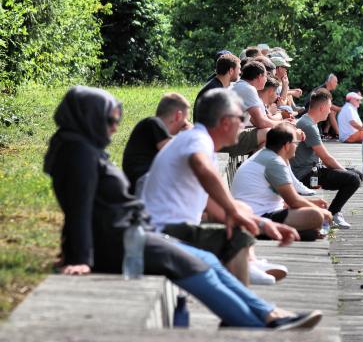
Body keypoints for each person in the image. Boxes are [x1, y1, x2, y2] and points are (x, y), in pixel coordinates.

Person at [44, 85, 322, 330]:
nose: (115, 127)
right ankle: (257, 321)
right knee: (194, 263)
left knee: (209, 261)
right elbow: (77, 207)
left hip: (130, 233)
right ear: (88, 118)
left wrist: (261, 223)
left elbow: (79, 205)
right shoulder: (78, 153)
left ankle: (266, 313)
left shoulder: (80, 149)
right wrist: (78, 257)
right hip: (121, 240)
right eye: (109, 120)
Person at [143, 89, 299, 285]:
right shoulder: (197, 140)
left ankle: (248, 268)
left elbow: (214, 207)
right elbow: (201, 167)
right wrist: (235, 211)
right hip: (163, 232)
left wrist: (261, 223)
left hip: (168, 228)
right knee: (237, 235)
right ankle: (247, 290)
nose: (244, 125)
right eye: (241, 118)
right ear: (225, 121)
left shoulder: (201, 142)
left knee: (241, 215)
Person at [231, 123, 332, 238]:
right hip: (258, 217)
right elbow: (293, 201)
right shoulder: (274, 162)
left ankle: (292, 232)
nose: (297, 146)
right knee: (316, 216)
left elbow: (281, 200)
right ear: (287, 146)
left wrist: (312, 203)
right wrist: (319, 211)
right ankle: (268, 231)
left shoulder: (266, 155)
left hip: (258, 214)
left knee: (313, 223)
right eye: (296, 143)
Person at [290, 89, 362, 229]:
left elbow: (324, 158)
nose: (330, 111)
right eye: (329, 108)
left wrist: (346, 171)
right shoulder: (308, 125)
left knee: (356, 174)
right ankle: (331, 214)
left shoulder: (309, 122)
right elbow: (326, 158)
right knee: (353, 179)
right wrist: (345, 172)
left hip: (313, 169)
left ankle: (334, 212)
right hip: (304, 175)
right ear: (322, 108)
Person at [122, 92, 192, 196]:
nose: (185, 124)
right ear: (178, 116)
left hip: (146, 185)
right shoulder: (153, 123)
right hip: (143, 183)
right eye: (185, 120)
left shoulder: (155, 130)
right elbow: (176, 154)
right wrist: (191, 134)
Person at [193, 53, 241, 123]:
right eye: (239, 69)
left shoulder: (216, 85)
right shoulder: (215, 91)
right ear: (231, 71)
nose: (240, 72)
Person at [305, 73, 340, 137]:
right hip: (310, 109)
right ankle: (339, 134)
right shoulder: (323, 90)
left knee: (333, 111)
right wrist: (342, 109)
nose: (336, 84)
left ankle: (325, 132)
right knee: (332, 111)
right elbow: (330, 106)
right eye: (335, 82)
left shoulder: (327, 90)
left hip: (317, 108)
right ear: (330, 82)